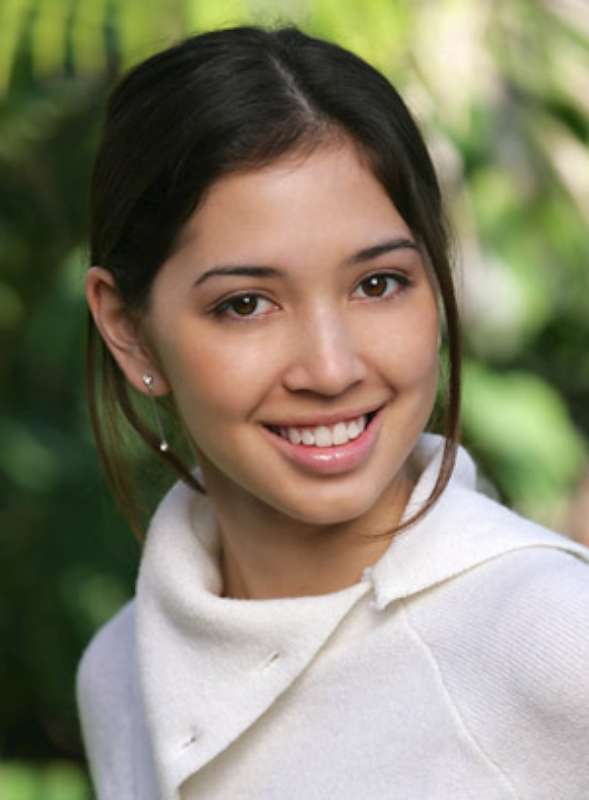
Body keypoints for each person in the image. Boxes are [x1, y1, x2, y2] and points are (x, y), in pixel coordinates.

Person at [77, 23, 589, 800]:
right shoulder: (119, 673)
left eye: (377, 284)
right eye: (245, 304)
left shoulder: (550, 638)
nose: (330, 369)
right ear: (127, 328)